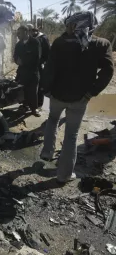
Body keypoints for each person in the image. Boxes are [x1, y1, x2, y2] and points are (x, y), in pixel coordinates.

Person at [40, 11, 114, 184]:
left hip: (57, 95)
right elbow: (108, 71)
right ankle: (64, 175)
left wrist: (46, 89)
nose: (67, 28)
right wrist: (91, 92)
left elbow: (50, 68)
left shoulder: (60, 42)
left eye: (69, 25)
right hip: (80, 99)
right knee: (71, 136)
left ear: (77, 25)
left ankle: (47, 152)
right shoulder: (101, 44)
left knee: (52, 120)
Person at [14, 25, 41, 117]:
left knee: (33, 91)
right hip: (22, 72)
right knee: (23, 90)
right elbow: (15, 56)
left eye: (20, 33)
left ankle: (34, 108)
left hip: (33, 71)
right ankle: (24, 106)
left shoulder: (35, 42)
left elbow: (37, 58)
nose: (18, 35)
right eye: (18, 33)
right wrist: (17, 60)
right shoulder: (18, 44)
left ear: (26, 32)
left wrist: (24, 62)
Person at [27, 24, 50, 108]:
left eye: (29, 31)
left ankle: (39, 105)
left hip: (40, 65)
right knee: (30, 85)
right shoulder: (29, 39)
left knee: (40, 85)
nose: (28, 33)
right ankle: (29, 103)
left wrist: (43, 63)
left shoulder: (43, 38)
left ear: (33, 31)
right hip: (30, 66)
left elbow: (47, 52)